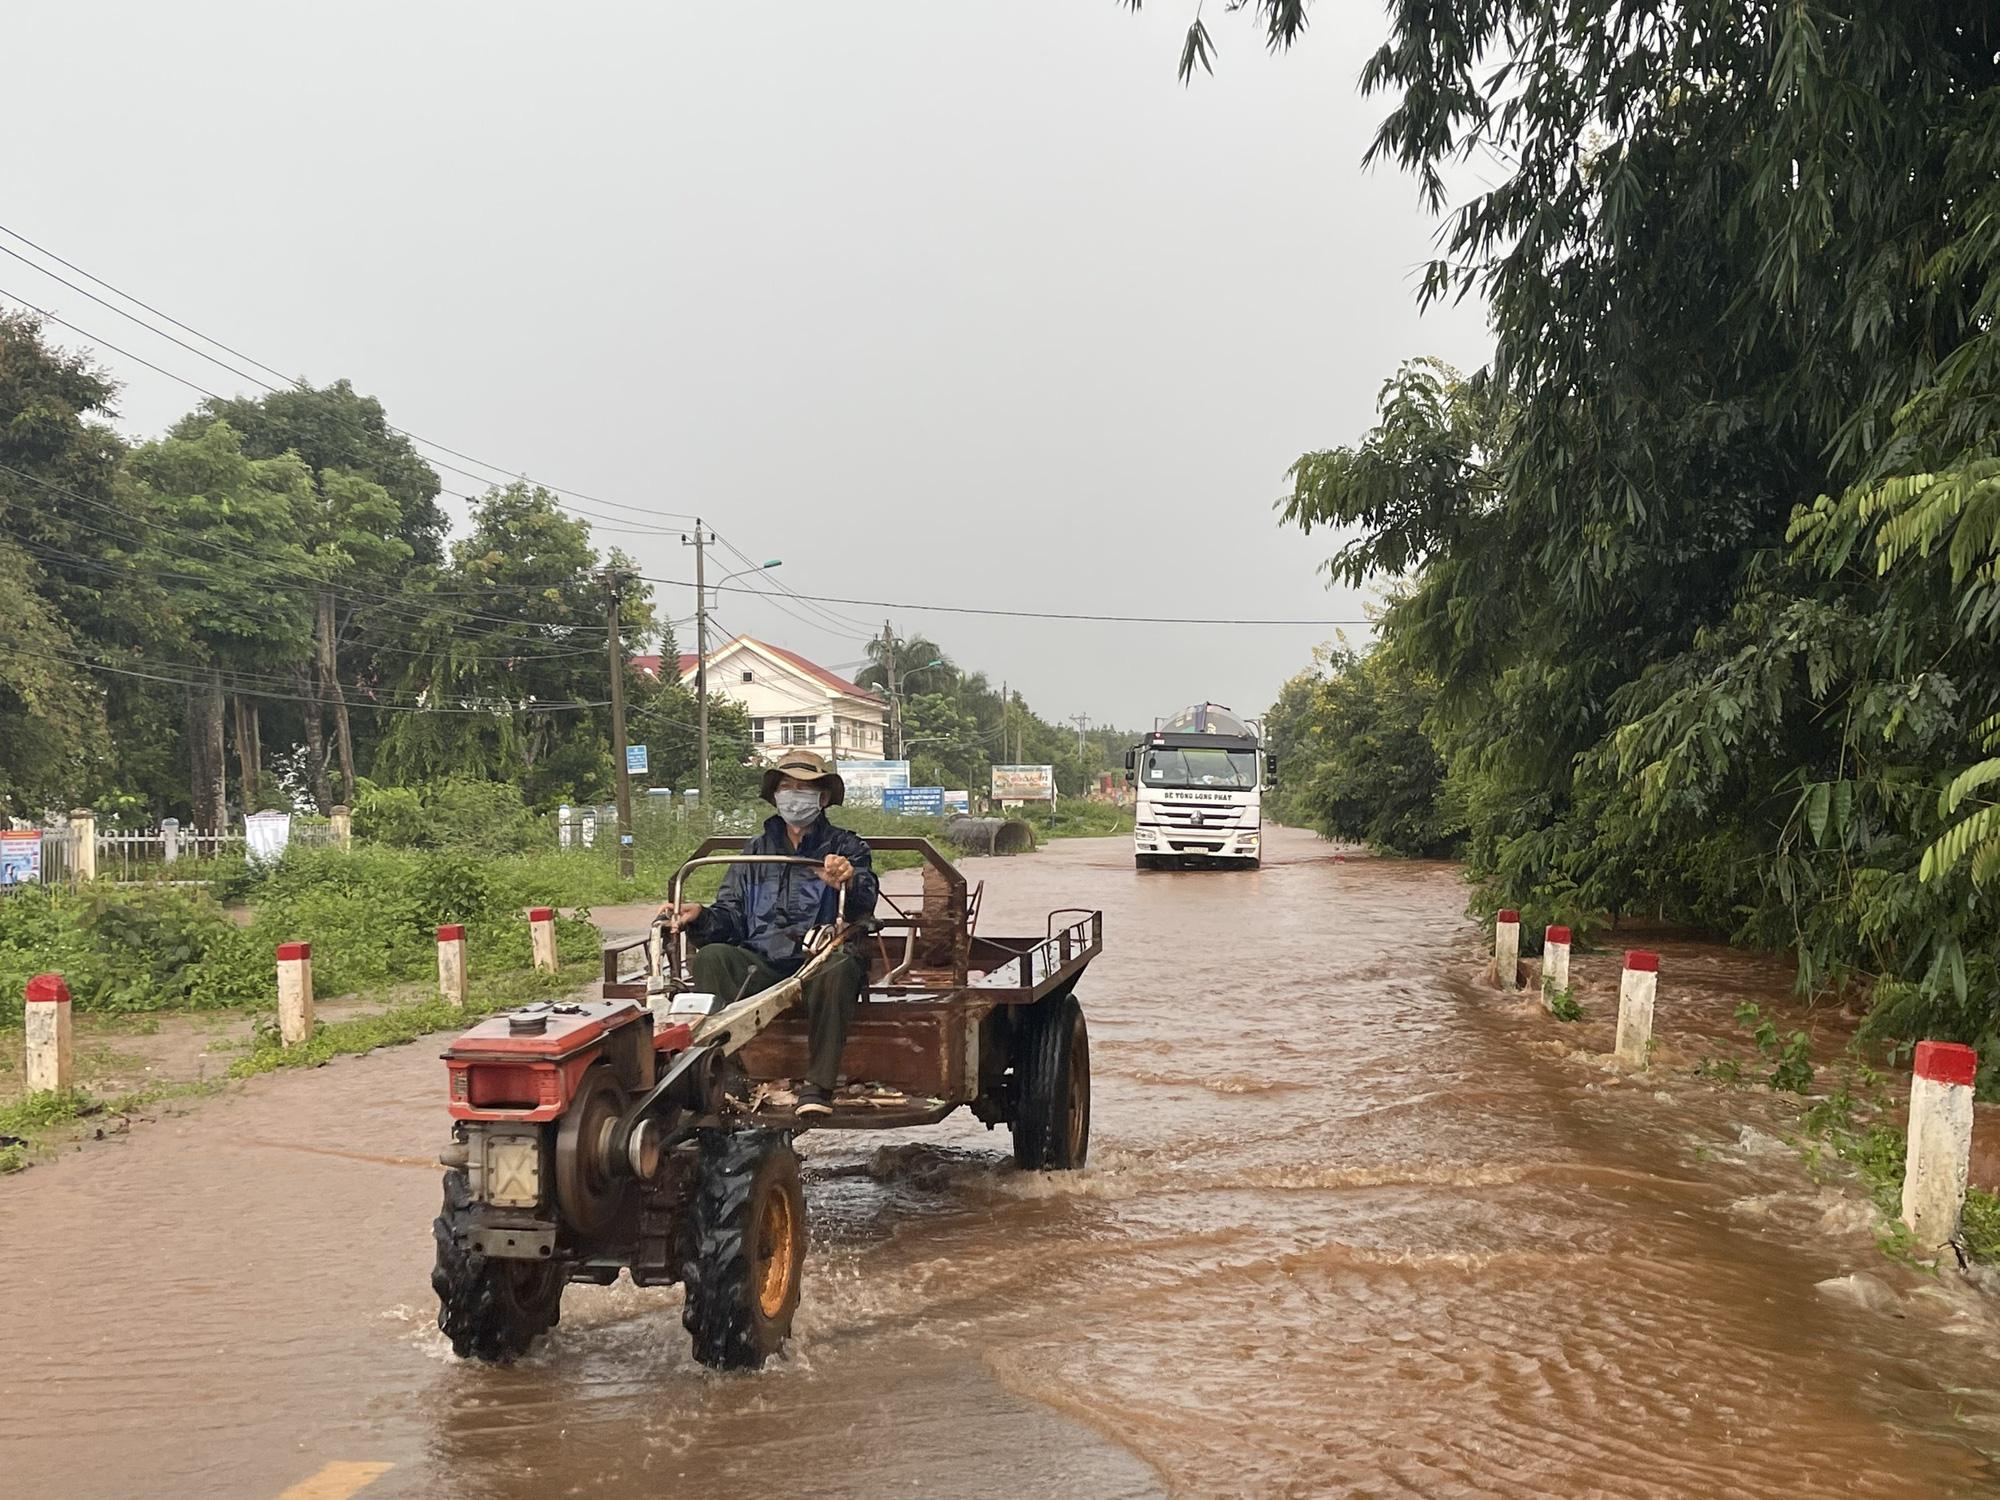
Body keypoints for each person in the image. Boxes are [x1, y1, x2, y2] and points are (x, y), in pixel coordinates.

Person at [661, 748, 876, 1117]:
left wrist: (848, 879)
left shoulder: (845, 847)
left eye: (804, 787)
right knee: (712, 958)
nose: (794, 795)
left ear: (822, 798)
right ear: (776, 795)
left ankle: (819, 1086)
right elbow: (730, 917)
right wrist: (699, 917)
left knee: (841, 966)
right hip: (761, 963)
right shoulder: (754, 851)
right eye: (786, 786)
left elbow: (866, 899)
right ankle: (727, 1075)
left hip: (818, 963)